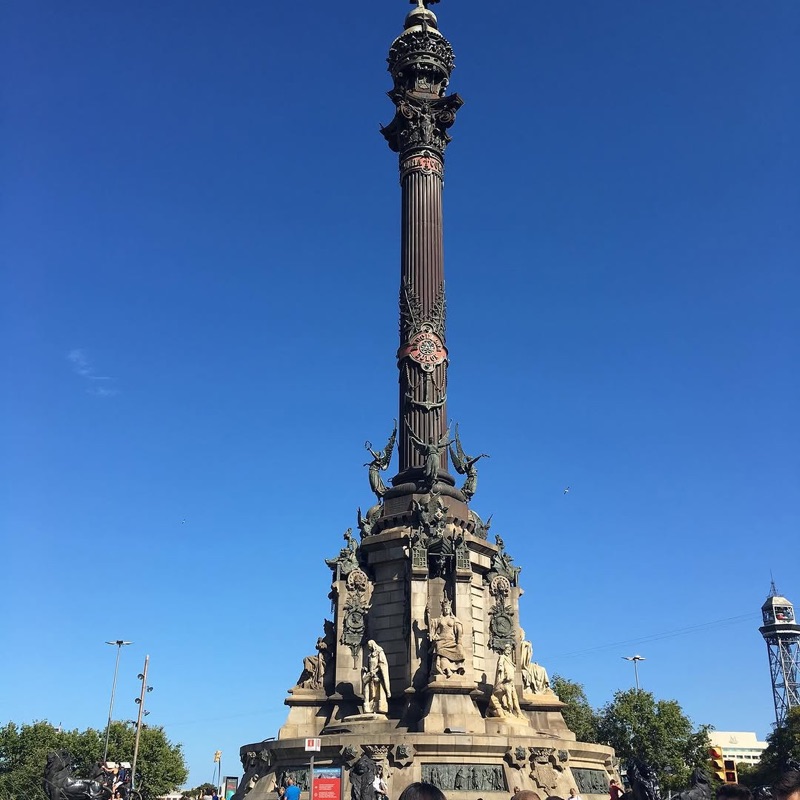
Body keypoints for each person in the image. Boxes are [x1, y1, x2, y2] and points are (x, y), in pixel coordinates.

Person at [429, 599, 466, 678]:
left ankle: (459, 669)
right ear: (442, 609)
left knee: (460, 649)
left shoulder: (454, 619)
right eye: (445, 608)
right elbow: (430, 623)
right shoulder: (440, 619)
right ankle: (447, 670)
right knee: (440, 650)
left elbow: (459, 629)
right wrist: (427, 614)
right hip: (441, 640)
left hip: (451, 640)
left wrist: (459, 641)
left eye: (448, 608)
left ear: (450, 609)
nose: (447, 610)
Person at [362, 640, 390, 714]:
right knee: (370, 692)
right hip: (371, 677)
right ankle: (370, 709)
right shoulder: (370, 655)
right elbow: (369, 666)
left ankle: (379, 709)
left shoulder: (380, 652)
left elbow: (383, 664)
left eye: (369, 646)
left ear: (373, 645)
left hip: (378, 677)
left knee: (378, 694)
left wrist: (375, 671)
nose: (368, 647)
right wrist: (366, 669)